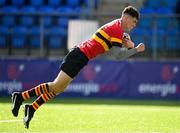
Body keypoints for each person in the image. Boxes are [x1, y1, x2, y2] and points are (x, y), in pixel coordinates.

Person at [11, 6, 145, 129]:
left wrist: (127, 44)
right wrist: (135, 49)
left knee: (59, 88)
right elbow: (118, 56)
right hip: (79, 55)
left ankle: (32, 108)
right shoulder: (117, 29)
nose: (134, 25)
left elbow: (116, 45)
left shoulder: (117, 26)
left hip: (81, 56)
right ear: (126, 18)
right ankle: (21, 97)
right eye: (133, 21)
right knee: (56, 86)